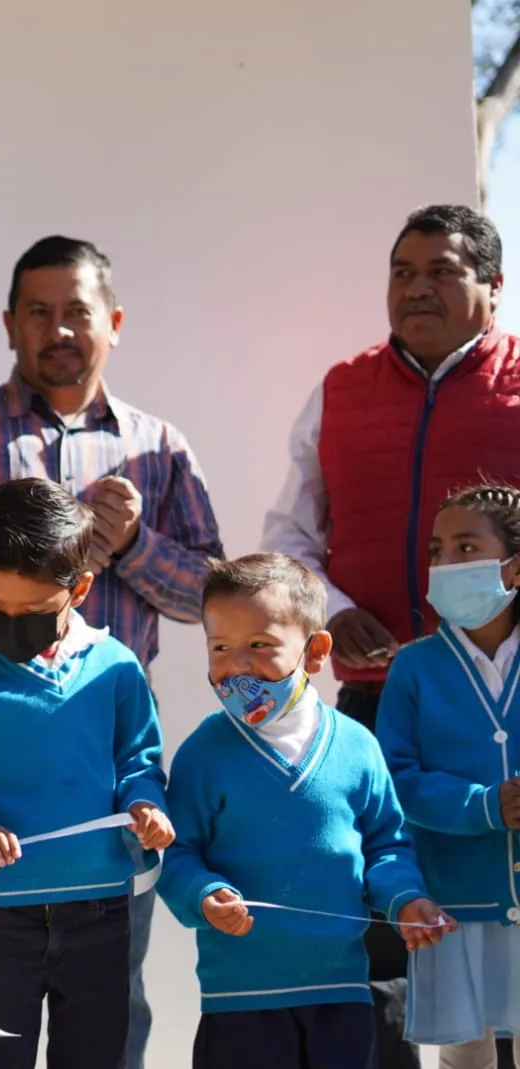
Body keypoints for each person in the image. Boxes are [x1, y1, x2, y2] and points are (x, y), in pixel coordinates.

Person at [0, 235, 222, 1069]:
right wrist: (23, 560)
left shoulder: (162, 447)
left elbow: (210, 594)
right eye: (39, 311)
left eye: (77, 312)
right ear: (10, 323)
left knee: (106, 994)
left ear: (114, 322)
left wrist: (130, 543)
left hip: (100, 785)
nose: (58, 329)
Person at [263, 204, 515, 1069]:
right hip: (372, 707)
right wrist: (329, 604)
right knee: (384, 933)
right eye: (402, 271)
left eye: (441, 270)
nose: (417, 288)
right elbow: (288, 537)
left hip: (502, 708)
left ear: (493, 286)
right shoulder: (338, 390)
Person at [0, 477, 175, 1069]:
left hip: (101, 913)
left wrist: (146, 807)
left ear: (78, 589)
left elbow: (139, 762)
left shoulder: (117, 668)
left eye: (30, 611)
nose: (8, 624)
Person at [160, 553, 450, 1069]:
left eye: (260, 646)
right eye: (220, 647)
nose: (238, 665)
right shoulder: (204, 752)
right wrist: (203, 897)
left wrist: (407, 899)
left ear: (315, 651)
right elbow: (176, 852)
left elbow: (387, 844)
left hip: (342, 994)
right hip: (240, 1000)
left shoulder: (358, 745)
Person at [377, 485, 520, 1068]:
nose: (447, 564)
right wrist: (484, 805)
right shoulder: (414, 667)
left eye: (467, 546)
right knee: (466, 1056)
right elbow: (395, 780)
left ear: (514, 565)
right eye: (439, 550)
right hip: (454, 905)